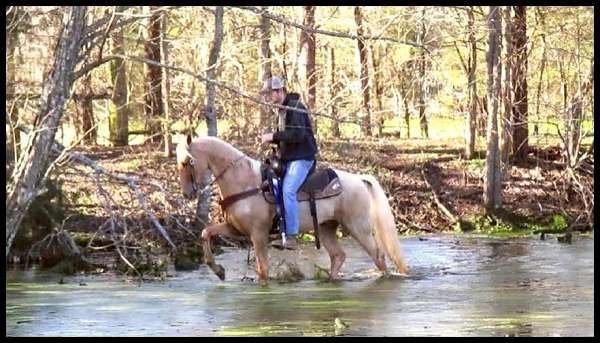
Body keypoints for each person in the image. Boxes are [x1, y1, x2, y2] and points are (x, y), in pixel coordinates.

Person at [260, 76, 318, 250]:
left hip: (302, 158)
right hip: (290, 158)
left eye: (269, 93)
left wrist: (273, 136)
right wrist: (274, 142)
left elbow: (298, 136)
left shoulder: (296, 108)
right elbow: (287, 138)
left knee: (288, 190)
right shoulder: (282, 110)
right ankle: (277, 227)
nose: (267, 97)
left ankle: (291, 235)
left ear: (279, 91)